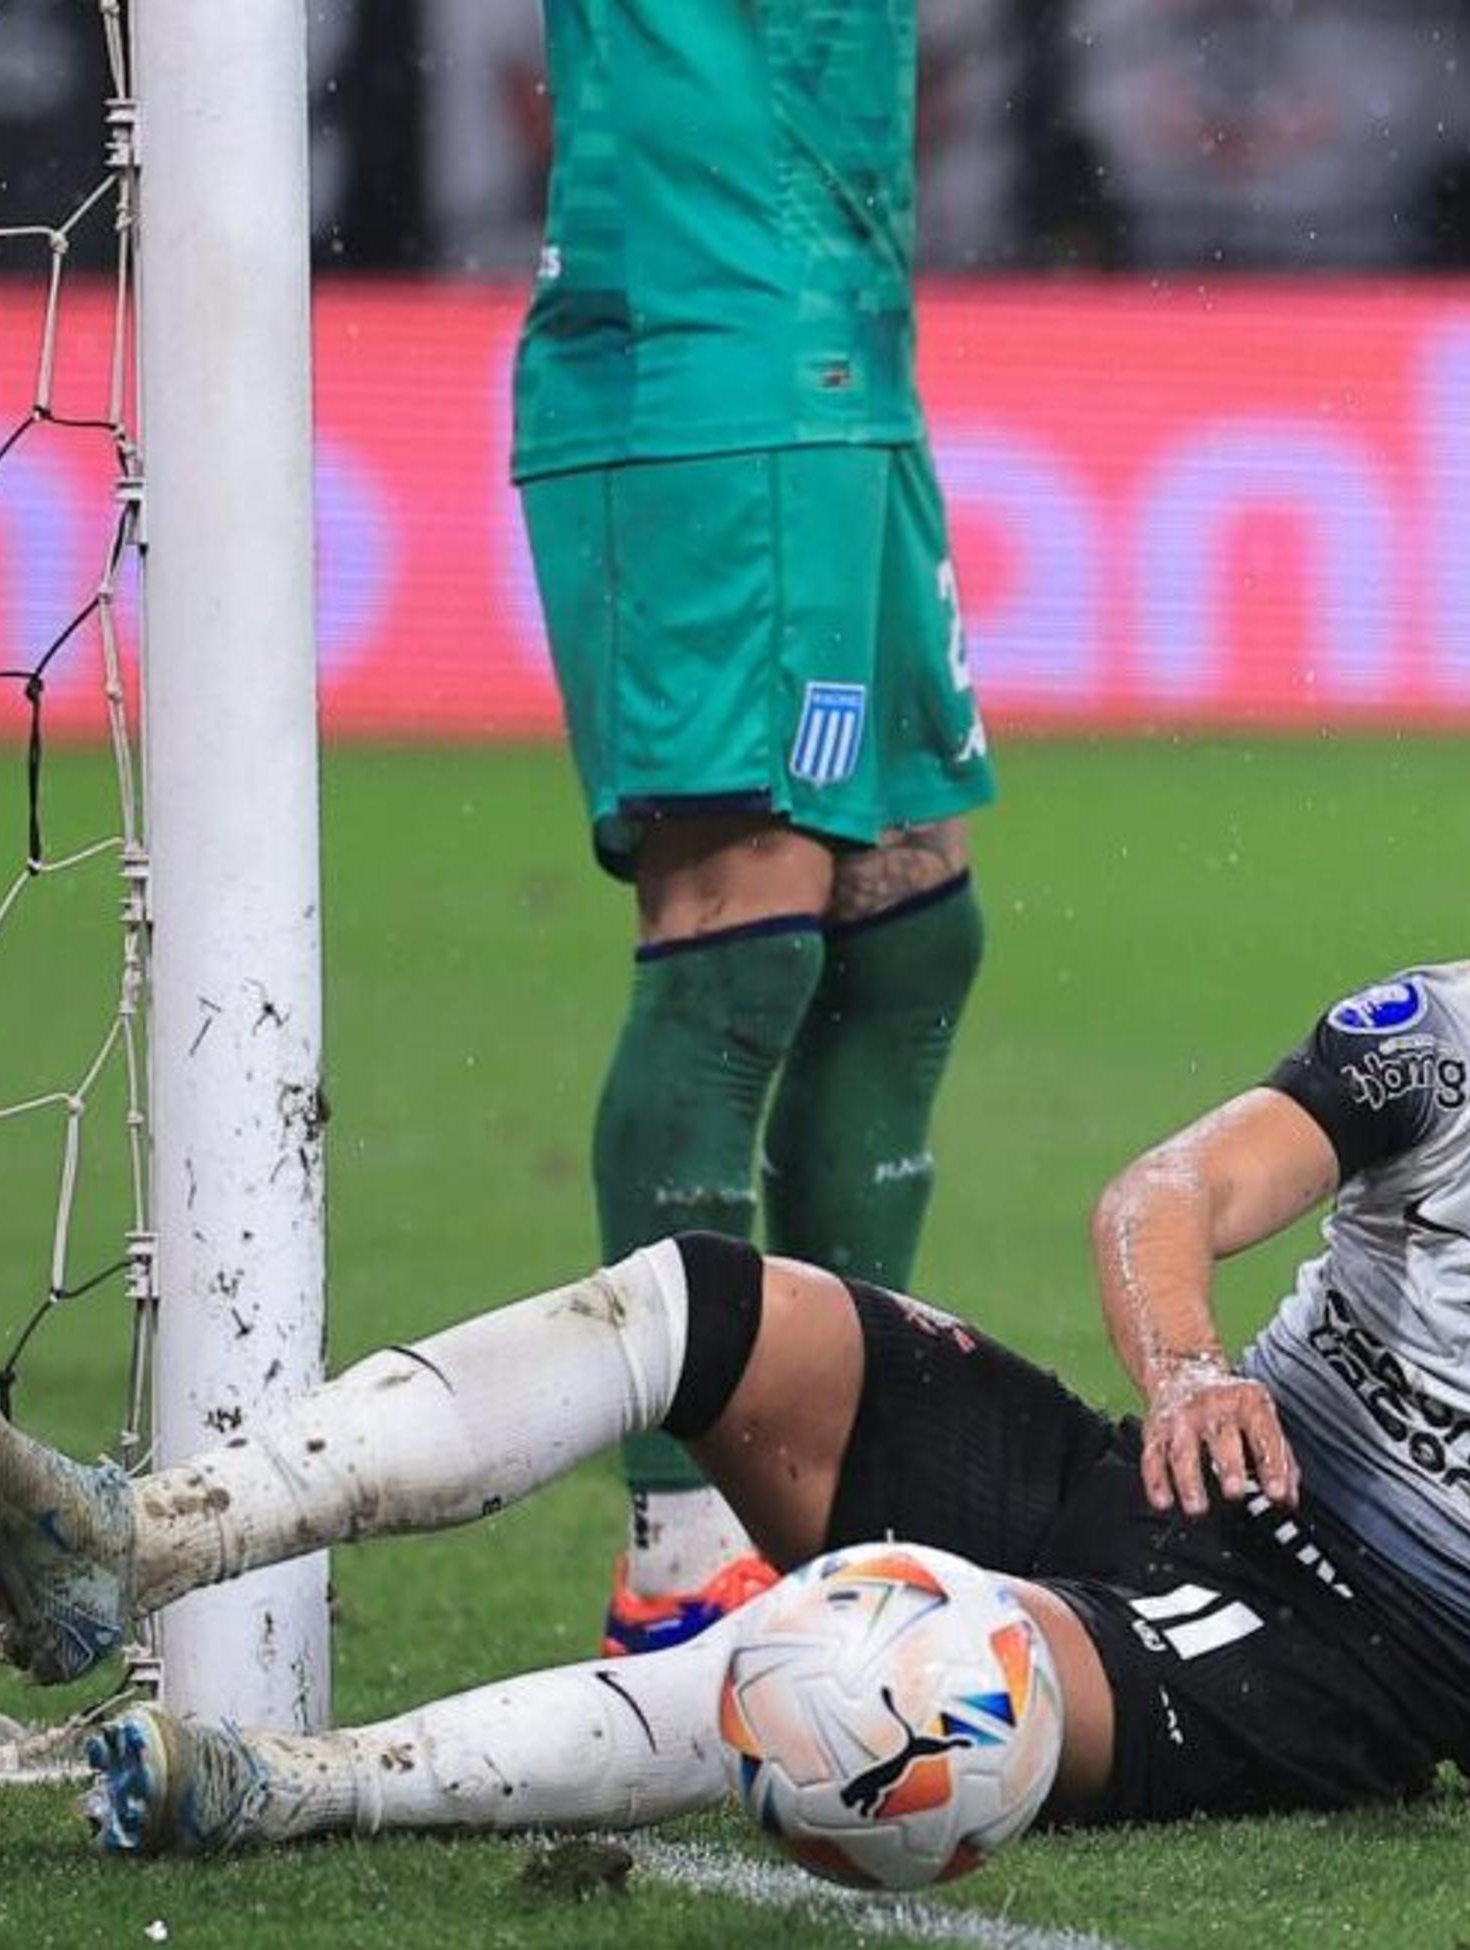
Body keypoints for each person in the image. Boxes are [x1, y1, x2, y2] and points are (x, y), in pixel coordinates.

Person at [0, 845, 1470, 1862]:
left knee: (890, 1682)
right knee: (702, 1295)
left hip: (1320, 1685)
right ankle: (139, 1535)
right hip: (1158, 1474)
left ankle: (282, 1793)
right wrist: (1186, 1373)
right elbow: (1163, 1200)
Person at [516, 0, 996, 1659]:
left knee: (912, 923)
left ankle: (858, 1502)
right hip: (711, 369)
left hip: (847, 350)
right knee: (737, 945)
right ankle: (683, 1545)